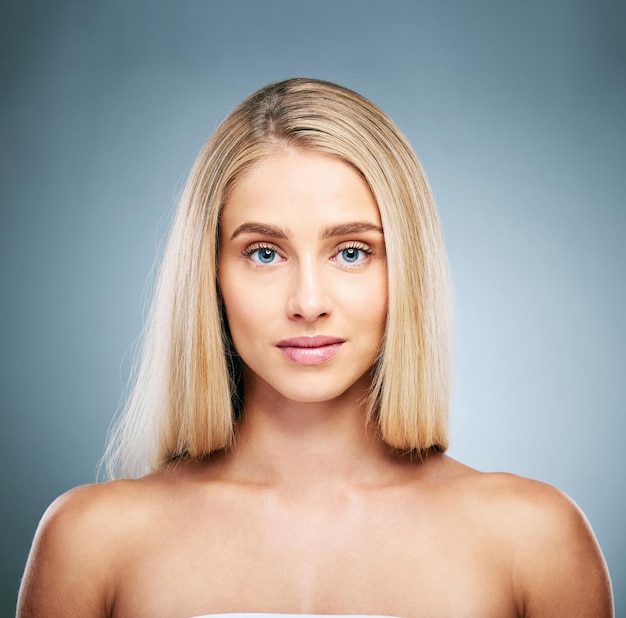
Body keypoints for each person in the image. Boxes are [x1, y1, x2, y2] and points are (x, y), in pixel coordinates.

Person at [17, 78, 613, 618]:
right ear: (211, 275)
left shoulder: (537, 542)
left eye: (352, 251)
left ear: (406, 269)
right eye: (264, 252)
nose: (307, 302)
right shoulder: (90, 542)